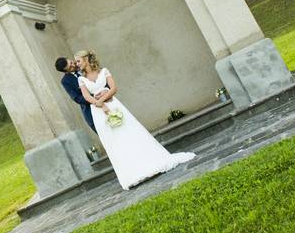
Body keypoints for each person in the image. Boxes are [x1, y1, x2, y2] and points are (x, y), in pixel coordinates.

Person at [74, 49, 194, 190]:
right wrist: (99, 104)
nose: (77, 64)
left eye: (78, 61)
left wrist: (104, 100)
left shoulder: (104, 71)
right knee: (114, 141)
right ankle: (130, 173)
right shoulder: (81, 79)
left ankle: (148, 163)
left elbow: (113, 88)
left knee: (129, 133)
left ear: (86, 60)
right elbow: (86, 96)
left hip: (113, 105)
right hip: (98, 112)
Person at [55, 56, 96, 134]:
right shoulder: (65, 81)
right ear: (65, 71)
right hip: (91, 111)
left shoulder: (84, 65)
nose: (73, 66)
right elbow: (77, 98)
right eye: (70, 68)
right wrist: (94, 98)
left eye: (71, 62)